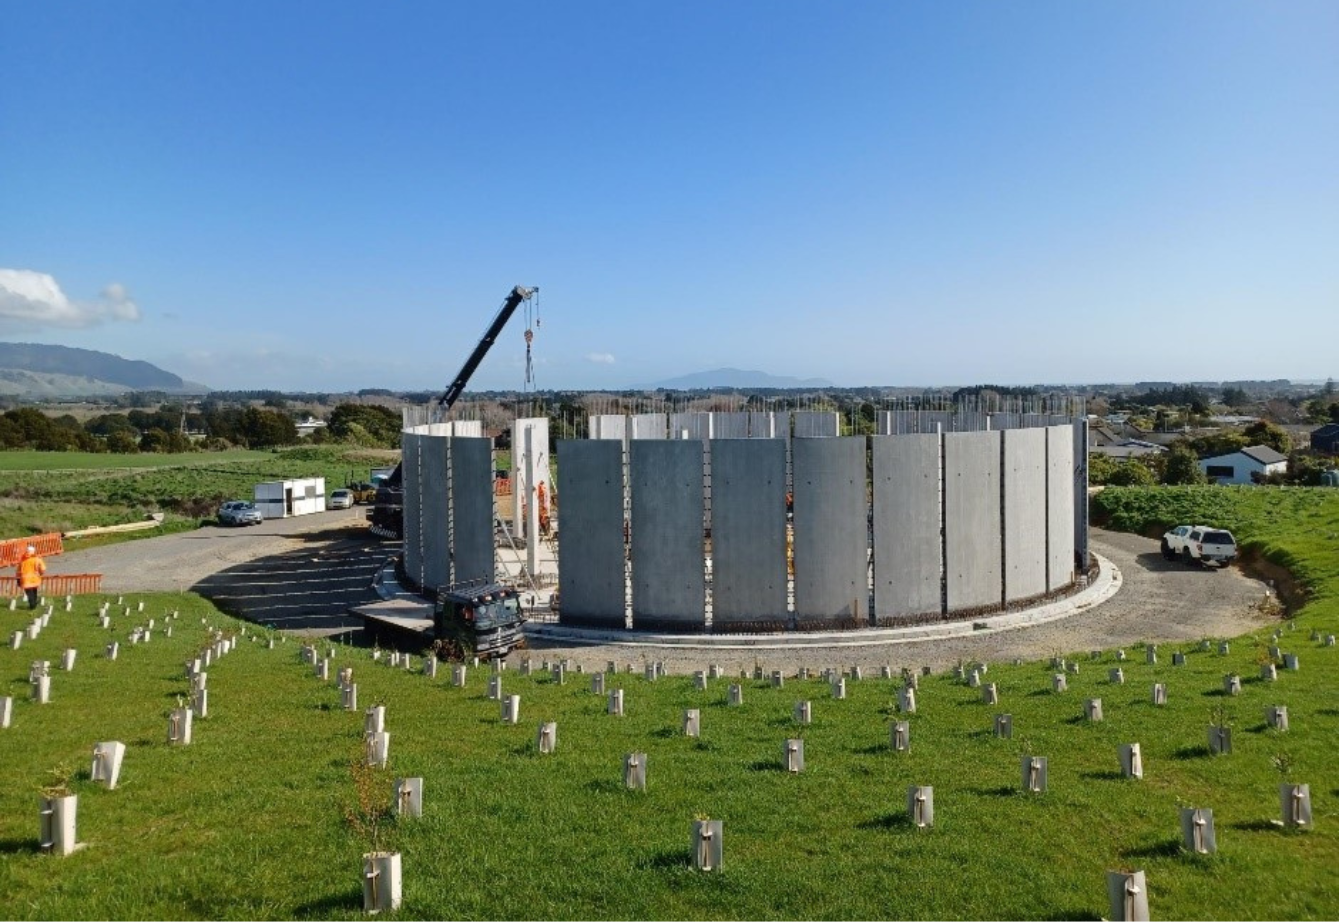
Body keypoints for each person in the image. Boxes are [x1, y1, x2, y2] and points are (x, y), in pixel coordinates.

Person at [17, 545, 46, 610]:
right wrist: (41, 573)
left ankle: (32, 605)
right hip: (35, 578)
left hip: (25, 579)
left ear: (26, 551)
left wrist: (18, 579)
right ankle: (33, 605)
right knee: (34, 591)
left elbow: (18, 571)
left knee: (29, 593)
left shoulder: (22, 560)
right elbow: (43, 569)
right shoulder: (37, 559)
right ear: (34, 551)